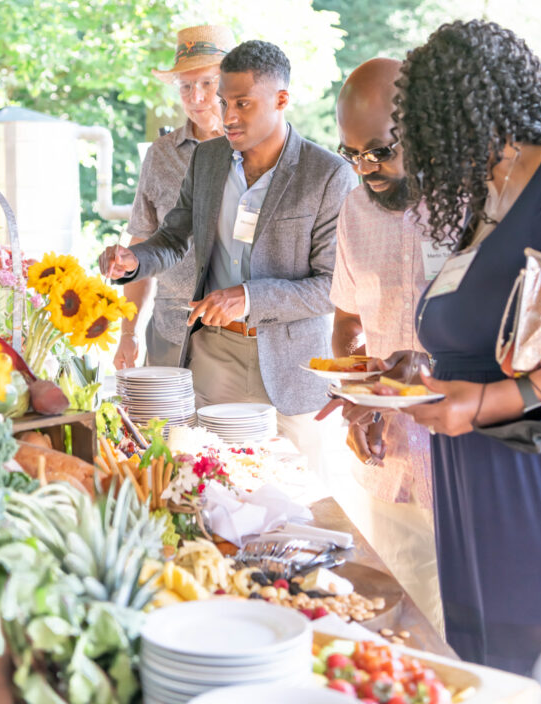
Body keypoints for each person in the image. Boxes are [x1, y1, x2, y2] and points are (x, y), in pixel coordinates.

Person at [391, 19, 541, 675]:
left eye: (438, 130)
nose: (434, 153)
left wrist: (494, 398)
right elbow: (481, 334)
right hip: (468, 485)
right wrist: (408, 372)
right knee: (475, 667)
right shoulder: (487, 195)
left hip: (533, 479)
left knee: (524, 670)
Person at [101, 40, 355, 457]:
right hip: (211, 358)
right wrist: (135, 261)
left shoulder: (328, 175)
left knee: (304, 497)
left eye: (243, 103)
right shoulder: (207, 159)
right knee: (209, 480)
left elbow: (332, 287)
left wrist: (249, 298)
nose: (228, 116)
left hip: (292, 370)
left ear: (281, 99)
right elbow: (171, 238)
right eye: (224, 102)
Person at [315, 57, 444, 632]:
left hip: (460, 455)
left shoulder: (475, 207)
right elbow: (348, 322)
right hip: (386, 456)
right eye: (351, 154)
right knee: (393, 622)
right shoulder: (355, 208)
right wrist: (355, 398)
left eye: (380, 151)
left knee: (466, 631)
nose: (365, 169)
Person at [114, 25, 232, 369]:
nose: (196, 97)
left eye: (208, 83)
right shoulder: (160, 155)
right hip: (169, 332)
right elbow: (142, 240)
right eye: (186, 86)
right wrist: (128, 332)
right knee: (159, 424)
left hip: (238, 336)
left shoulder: (254, 149)